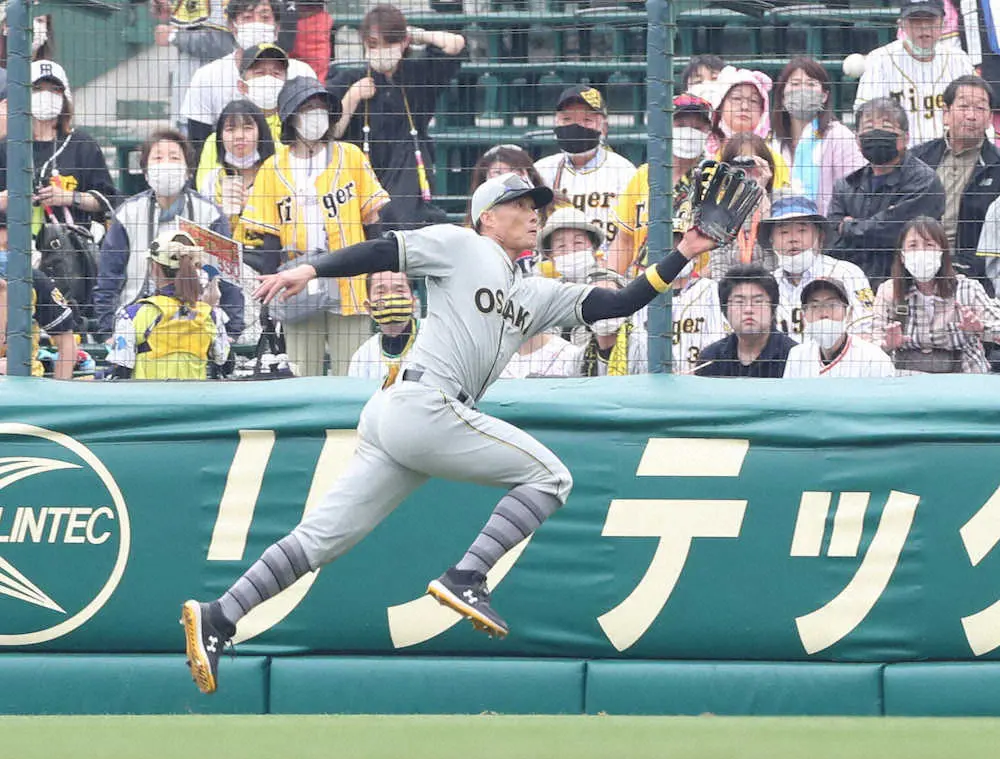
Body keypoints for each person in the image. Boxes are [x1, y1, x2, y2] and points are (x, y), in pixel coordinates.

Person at [180, 170, 721, 695]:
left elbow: (620, 303)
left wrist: (685, 250)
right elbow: (383, 251)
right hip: (423, 404)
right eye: (520, 204)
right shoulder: (464, 246)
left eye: (535, 206)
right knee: (551, 478)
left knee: (322, 539)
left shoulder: (535, 293)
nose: (533, 214)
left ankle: (220, 614)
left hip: (408, 417)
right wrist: (312, 268)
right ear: (487, 217)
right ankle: (467, 577)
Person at [241, 77, 389, 376]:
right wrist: (269, 294)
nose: (316, 114)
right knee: (302, 373)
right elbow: (269, 238)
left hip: (350, 276)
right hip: (297, 281)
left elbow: (372, 222)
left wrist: (376, 275)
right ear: (291, 115)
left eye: (321, 106)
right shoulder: (272, 169)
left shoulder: (350, 156)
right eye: (307, 107)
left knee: (352, 373)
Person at [93, 130, 241, 341]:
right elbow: (108, 279)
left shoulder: (210, 214)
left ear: (188, 170)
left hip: (198, 325)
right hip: (135, 325)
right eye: (158, 158)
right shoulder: (128, 213)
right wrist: (108, 332)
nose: (166, 165)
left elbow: (228, 279)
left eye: (174, 157)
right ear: (145, 172)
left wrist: (232, 332)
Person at [328, 4, 466, 221]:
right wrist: (352, 97)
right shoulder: (348, 79)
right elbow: (332, 131)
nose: (381, 50)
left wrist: (416, 35)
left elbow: (455, 44)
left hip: (409, 178)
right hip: (363, 177)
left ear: (403, 43)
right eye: (374, 44)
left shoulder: (419, 74)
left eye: (389, 43)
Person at [828, 97, 945, 288]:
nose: (876, 133)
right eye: (869, 127)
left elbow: (897, 232)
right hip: (855, 287)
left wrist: (849, 227)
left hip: (908, 286)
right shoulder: (846, 185)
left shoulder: (924, 180)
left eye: (886, 126)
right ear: (857, 139)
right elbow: (833, 241)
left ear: (905, 138)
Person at [181, 0, 314, 159]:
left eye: (265, 17)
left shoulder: (302, 73)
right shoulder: (207, 77)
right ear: (232, 26)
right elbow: (198, 144)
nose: (256, 24)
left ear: (277, 27)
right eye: (247, 17)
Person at [873, 216, 1000, 373]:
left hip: (964, 376)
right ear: (902, 256)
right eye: (913, 245)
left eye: (929, 245)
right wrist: (887, 344)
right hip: (906, 377)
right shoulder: (889, 291)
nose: (921, 252)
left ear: (942, 252)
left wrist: (981, 328)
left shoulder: (968, 289)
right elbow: (870, 344)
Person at [0, 60, 116, 231]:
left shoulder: (82, 144)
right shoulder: (7, 145)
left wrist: (71, 197)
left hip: (71, 242)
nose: (46, 95)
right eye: (37, 88)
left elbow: (108, 199)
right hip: (16, 241)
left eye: (55, 89)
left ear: (64, 97)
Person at [609, 92, 715, 275]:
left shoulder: (715, 178)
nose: (689, 133)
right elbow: (625, 240)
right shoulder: (644, 174)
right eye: (680, 125)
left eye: (697, 127)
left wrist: (699, 282)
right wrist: (609, 279)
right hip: (641, 283)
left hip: (695, 283)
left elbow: (720, 251)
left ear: (708, 133)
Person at [106, 230, 231, 380]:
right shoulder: (210, 315)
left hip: (146, 394)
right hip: (196, 394)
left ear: (155, 268)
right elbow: (223, 361)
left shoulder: (132, 315)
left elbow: (120, 373)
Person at [911, 75, 1000, 283]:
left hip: (975, 275)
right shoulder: (918, 158)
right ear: (946, 114)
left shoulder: (996, 165)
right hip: (917, 265)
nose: (971, 116)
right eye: (963, 106)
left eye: (980, 108)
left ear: (990, 118)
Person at [854, 0, 973, 146]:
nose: (924, 28)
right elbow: (865, 117)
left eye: (930, 20)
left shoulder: (959, 60)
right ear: (902, 25)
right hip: (900, 155)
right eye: (916, 21)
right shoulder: (880, 60)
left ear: (943, 23)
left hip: (949, 154)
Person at [760, 194, 875, 339]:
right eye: (784, 232)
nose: (793, 239)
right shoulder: (767, 284)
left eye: (802, 231)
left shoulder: (847, 273)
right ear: (771, 240)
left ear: (820, 236)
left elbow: (865, 330)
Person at [534, 85, 637, 245]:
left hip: (610, 259)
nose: (576, 126)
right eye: (567, 119)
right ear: (556, 123)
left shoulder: (625, 171)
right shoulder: (541, 171)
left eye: (587, 120)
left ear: (604, 127)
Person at [770, 57, 865, 215]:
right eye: (795, 84)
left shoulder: (839, 137)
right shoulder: (771, 140)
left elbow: (856, 191)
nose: (802, 90)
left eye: (811, 84)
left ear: (824, 96)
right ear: (782, 95)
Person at [194, 42, 291, 183]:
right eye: (260, 73)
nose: (269, 79)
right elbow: (205, 187)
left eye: (276, 73)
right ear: (241, 86)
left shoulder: (294, 133)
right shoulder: (218, 140)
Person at [694, 264, 797, 378]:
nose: (748, 309)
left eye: (758, 301)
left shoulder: (793, 356)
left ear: (773, 308)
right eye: (739, 302)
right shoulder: (711, 358)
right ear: (725, 309)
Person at [783, 277, 895, 378]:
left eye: (832, 305)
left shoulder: (874, 359)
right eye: (815, 306)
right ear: (804, 315)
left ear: (849, 313)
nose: (824, 314)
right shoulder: (797, 355)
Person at [150, 0, 236, 130]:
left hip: (214, 109)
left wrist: (173, 36)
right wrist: (170, 13)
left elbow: (222, 43)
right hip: (186, 102)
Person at [0, 241, 76, 380]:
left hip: (26, 381)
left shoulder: (32, 280)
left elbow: (66, 340)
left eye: (6, 247)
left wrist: (60, 389)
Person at [706, 66, 791, 189]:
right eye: (736, 98)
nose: (745, 106)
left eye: (753, 101)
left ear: (763, 111)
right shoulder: (703, 151)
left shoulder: (774, 159)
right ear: (720, 105)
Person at [708, 134, 778, 279]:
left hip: (771, 284)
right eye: (737, 164)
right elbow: (718, 264)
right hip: (731, 287)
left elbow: (778, 254)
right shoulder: (720, 208)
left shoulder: (780, 201)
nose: (745, 171)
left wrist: (760, 194)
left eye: (751, 163)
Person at [347, 270, 418, 380]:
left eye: (399, 291)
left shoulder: (432, 339)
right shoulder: (362, 357)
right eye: (381, 292)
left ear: (413, 302)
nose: (391, 298)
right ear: (369, 308)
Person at [578, 268, 648, 376]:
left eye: (609, 296)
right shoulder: (580, 356)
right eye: (594, 299)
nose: (603, 305)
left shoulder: (643, 345)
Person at [465, 145, 552, 227]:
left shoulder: (553, 210)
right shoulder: (474, 221)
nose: (506, 177)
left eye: (515, 171)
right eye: (498, 172)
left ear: (529, 175)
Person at [535, 207, 605, 284]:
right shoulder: (554, 287)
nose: (570, 251)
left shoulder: (605, 279)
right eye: (561, 246)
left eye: (578, 242)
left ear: (594, 248)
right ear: (550, 256)